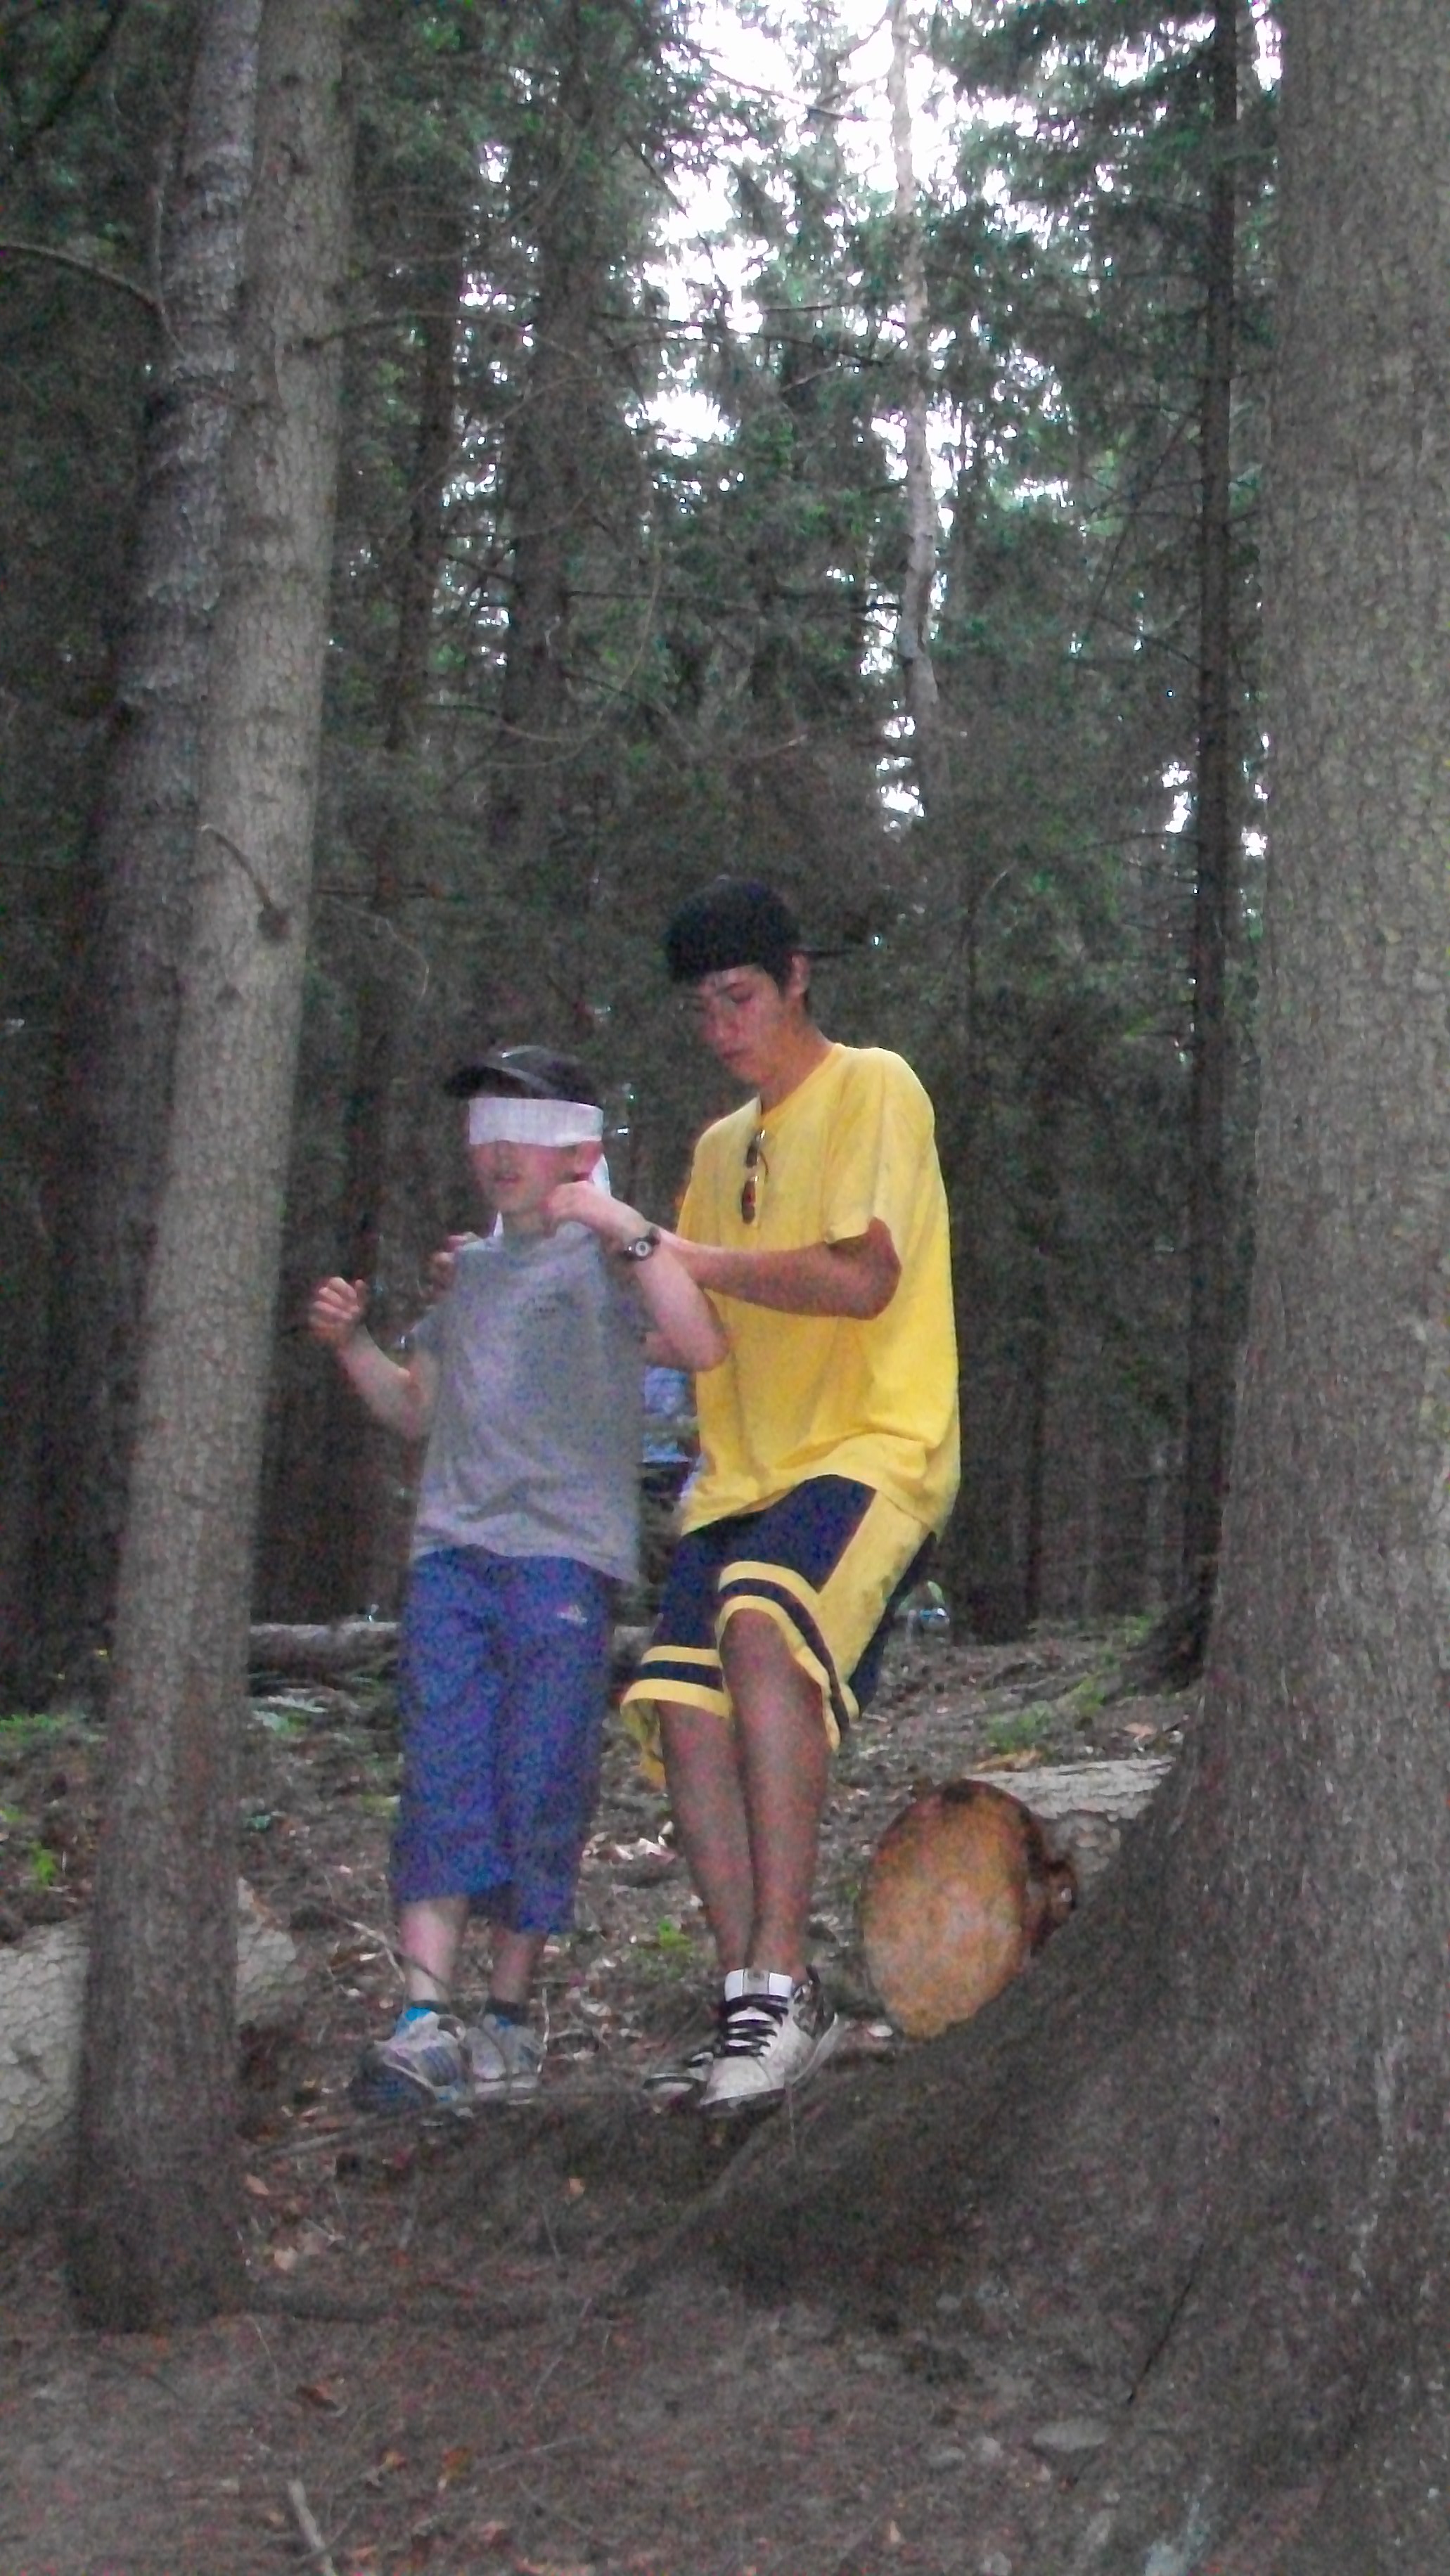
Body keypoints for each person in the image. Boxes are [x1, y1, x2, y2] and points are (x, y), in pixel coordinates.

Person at [309, 1045, 726, 2113]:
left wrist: (615, 1221)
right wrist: (351, 1344)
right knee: (443, 1771)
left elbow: (700, 1343)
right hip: (451, 1556)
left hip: (564, 1561)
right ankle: (423, 2018)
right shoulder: (471, 1277)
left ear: (575, 1150)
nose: (498, 1155)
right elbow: (414, 1407)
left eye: (524, 1135)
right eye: (484, 1135)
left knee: (539, 1780)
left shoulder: (611, 1267)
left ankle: (505, 2015)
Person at [620, 880, 960, 2113]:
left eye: (741, 998)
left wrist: (683, 1255)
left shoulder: (874, 1087)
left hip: (872, 1443)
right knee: (680, 1701)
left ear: (796, 979)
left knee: (763, 1625)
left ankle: (778, 1970)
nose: (721, 1028)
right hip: (743, 1473)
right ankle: (753, 2003)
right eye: (702, 1009)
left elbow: (864, 1277)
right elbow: (695, 1329)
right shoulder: (719, 1151)